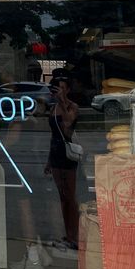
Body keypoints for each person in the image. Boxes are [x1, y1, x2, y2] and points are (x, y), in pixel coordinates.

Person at [45, 70, 80, 257]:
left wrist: (62, 101)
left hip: (69, 154)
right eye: (58, 89)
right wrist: (49, 160)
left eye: (63, 89)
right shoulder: (53, 108)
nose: (59, 91)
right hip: (57, 153)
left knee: (70, 197)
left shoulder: (71, 106)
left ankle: (76, 236)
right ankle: (68, 235)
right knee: (62, 196)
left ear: (67, 90)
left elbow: (67, 127)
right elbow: (53, 135)